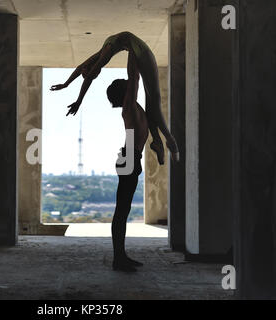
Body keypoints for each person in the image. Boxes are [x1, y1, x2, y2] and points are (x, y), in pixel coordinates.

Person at [50, 31, 179, 164]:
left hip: (142, 52)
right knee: (151, 102)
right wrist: (66, 84)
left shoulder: (104, 55)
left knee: (154, 102)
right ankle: (160, 140)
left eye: (94, 73)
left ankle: (167, 141)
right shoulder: (102, 52)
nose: (96, 73)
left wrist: (78, 100)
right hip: (140, 52)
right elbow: (80, 69)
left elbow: (86, 75)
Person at [108, 51, 148, 272]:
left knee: (123, 209)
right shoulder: (129, 108)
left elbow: (133, 79)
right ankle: (118, 259)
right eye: (125, 84)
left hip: (131, 157)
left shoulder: (134, 108)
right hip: (129, 158)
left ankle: (121, 256)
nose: (128, 84)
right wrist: (133, 50)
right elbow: (134, 76)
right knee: (121, 210)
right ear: (125, 92)